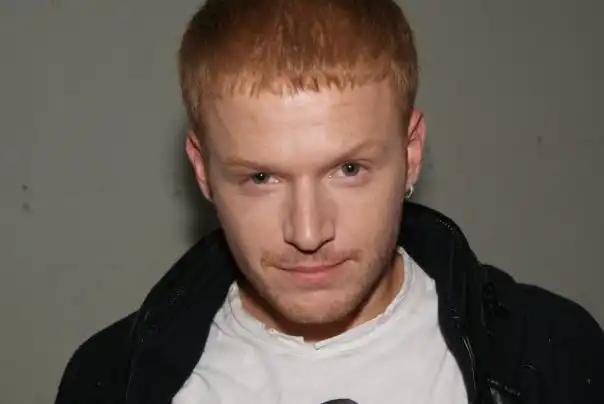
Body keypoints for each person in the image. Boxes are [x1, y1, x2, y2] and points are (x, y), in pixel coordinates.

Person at [55, 0, 604, 403]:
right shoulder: (106, 380)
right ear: (202, 170)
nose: (308, 231)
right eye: (261, 178)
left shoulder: (554, 356)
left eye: (349, 170)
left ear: (411, 153)